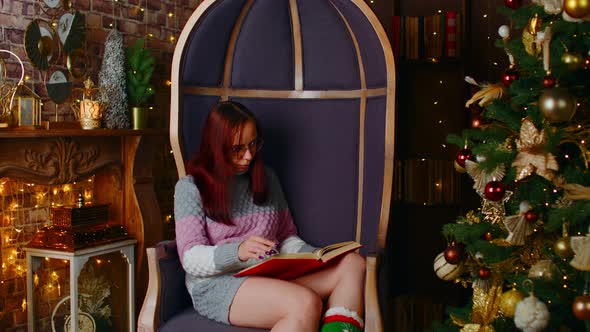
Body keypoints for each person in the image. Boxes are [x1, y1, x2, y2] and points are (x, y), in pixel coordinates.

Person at [174, 101, 366, 332]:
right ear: (216, 147)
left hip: (270, 274)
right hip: (218, 285)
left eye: (253, 144)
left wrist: (313, 255)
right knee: (305, 304)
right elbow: (191, 258)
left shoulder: (266, 178)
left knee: (353, 264)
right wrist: (238, 252)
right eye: (238, 148)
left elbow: (285, 238)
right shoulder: (190, 188)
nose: (248, 156)